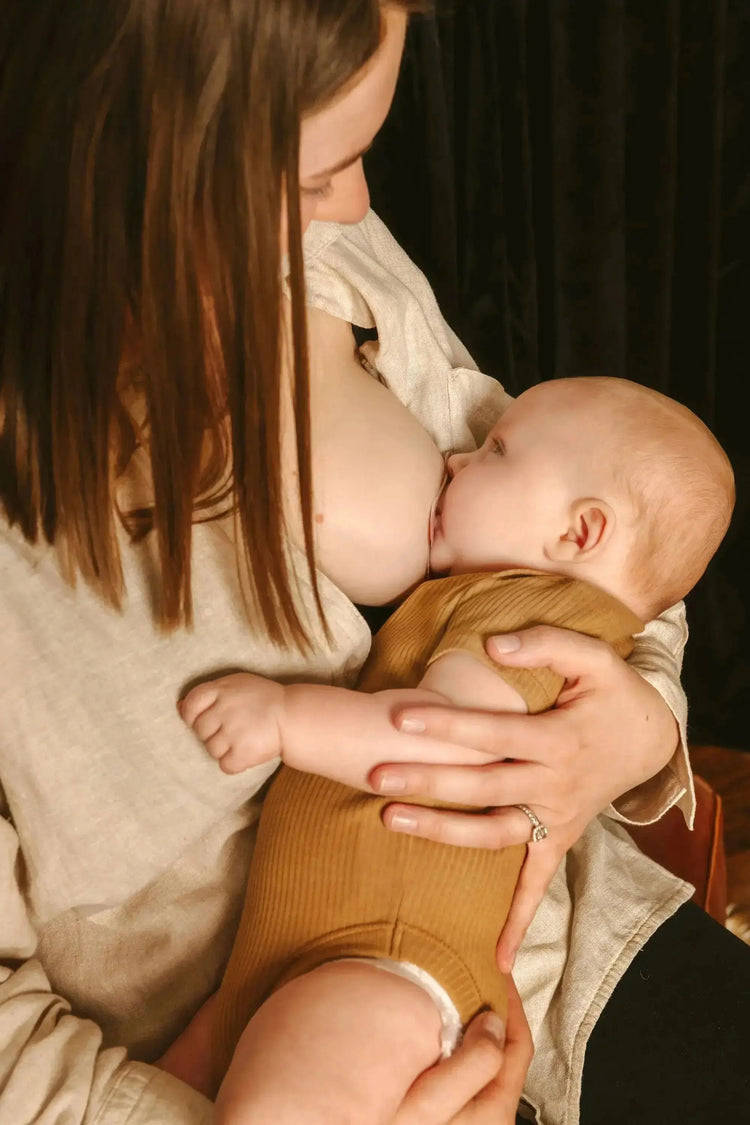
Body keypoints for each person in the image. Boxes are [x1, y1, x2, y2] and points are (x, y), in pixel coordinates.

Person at [1, 3, 748, 1124]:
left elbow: (614, 522)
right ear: (134, 159)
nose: (354, 206)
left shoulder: (327, 243)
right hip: (222, 1057)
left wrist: (631, 729)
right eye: (315, 174)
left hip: (541, 949)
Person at [166, 375, 733, 1123]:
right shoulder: (522, 602)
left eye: (494, 451)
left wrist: (284, 718)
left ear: (579, 533)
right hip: (320, 956)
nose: (455, 460)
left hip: (382, 960)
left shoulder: (529, 615)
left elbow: (442, 742)